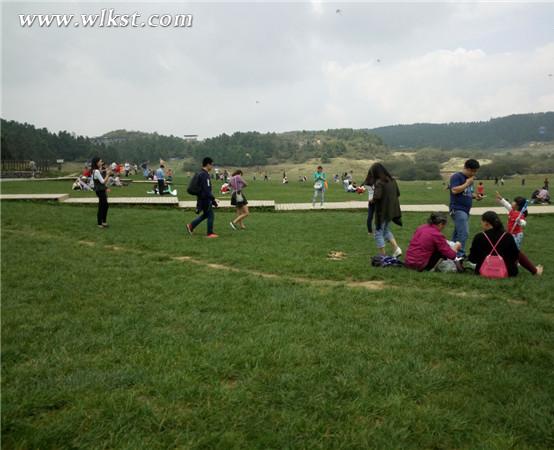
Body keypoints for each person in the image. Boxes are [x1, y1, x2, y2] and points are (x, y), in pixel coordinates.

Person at [449, 158, 481, 257]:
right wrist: (467, 183)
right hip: (458, 209)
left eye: (475, 171)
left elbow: (467, 193)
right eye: (472, 171)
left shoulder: (470, 180)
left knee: (457, 234)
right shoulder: (457, 176)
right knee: (464, 233)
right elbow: (454, 190)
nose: (473, 174)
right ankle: (459, 255)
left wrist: (475, 196)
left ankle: (450, 253)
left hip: (466, 210)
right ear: (466, 168)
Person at [370, 163, 402, 257]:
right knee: (385, 230)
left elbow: (377, 197)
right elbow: (398, 193)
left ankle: (382, 255)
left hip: (382, 211)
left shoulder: (379, 182)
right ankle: (396, 249)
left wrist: (372, 200)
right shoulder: (392, 180)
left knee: (378, 232)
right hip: (392, 210)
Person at [186, 157, 218, 238]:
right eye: (212, 165)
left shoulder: (200, 173)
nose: (212, 167)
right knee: (210, 215)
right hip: (205, 199)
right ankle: (210, 233)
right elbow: (207, 190)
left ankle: (191, 226)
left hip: (201, 198)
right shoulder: (205, 175)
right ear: (208, 164)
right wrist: (213, 199)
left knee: (206, 214)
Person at [91, 156, 111, 228]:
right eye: (100, 161)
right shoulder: (96, 171)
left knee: (104, 206)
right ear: (97, 163)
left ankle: (103, 222)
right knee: (103, 206)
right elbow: (103, 181)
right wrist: (108, 174)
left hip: (100, 190)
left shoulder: (95, 170)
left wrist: (105, 170)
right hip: (100, 191)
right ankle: (100, 223)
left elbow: (100, 172)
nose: (101, 162)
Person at [363, 170, 376, 234]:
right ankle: (378, 230)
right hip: (375, 200)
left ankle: (369, 231)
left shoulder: (366, 182)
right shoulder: (375, 182)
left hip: (370, 201)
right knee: (378, 216)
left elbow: (361, 189)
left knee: (370, 216)